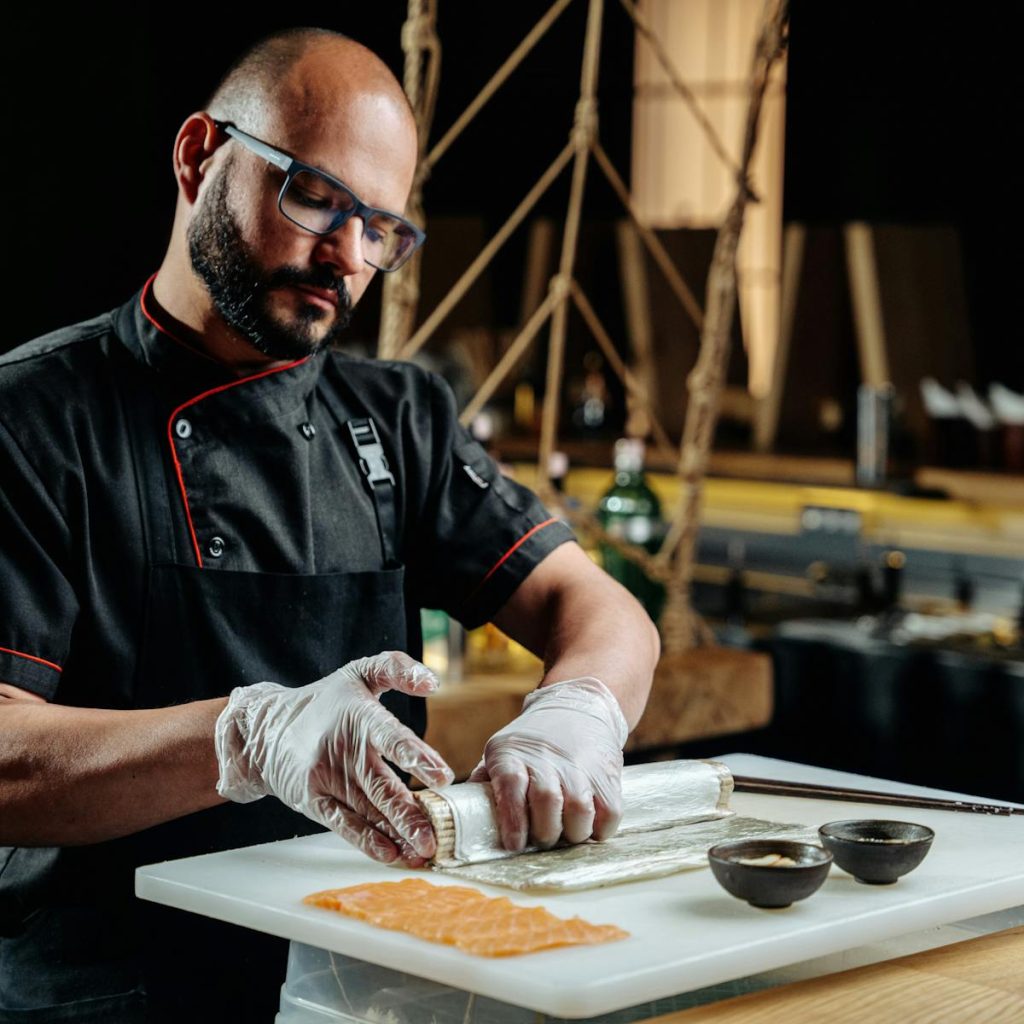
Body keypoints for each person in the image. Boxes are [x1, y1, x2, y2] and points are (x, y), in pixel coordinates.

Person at [0, 27, 658, 1023]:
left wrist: (577, 714)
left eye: (381, 227)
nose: (348, 256)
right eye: (315, 197)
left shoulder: (399, 417)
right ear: (196, 158)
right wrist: (246, 736)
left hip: (364, 981)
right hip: (110, 991)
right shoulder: (33, 417)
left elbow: (599, 609)